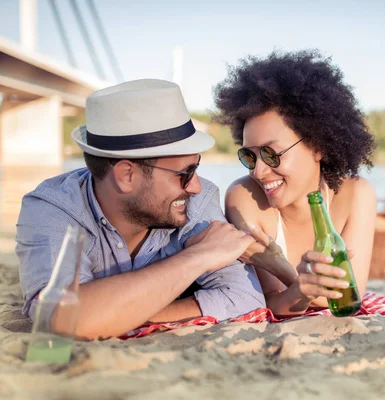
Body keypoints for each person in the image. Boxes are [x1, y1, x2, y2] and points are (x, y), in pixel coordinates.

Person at [16, 79, 264, 340]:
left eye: (197, 167)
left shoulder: (195, 202)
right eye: (185, 173)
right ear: (126, 175)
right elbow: (61, 320)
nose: (196, 187)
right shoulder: (52, 210)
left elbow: (246, 299)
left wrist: (114, 315)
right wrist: (197, 257)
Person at [215, 50, 377, 317]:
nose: (259, 171)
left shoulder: (357, 195)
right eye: (249, 156)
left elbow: (348, 297)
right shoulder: (244, 198)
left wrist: (281, 268)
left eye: (271, 153)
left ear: (317, 146)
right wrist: (301, 286)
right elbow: (267, 306)